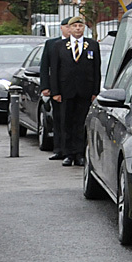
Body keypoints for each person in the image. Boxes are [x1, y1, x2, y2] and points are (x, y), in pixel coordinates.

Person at [49, 15, 101, 167]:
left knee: (81, 123)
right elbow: (55, 70)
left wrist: (95, 91)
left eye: (80, 26)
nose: (78, 29)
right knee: (66, 122)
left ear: (84, 28)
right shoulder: (59, 46)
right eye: (75, 26)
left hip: (84, 91)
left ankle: (79, 153)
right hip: (66, 91)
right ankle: (67, 153)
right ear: (69, 29)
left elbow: (96, 69)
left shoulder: (92, 45)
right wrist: (55, 91)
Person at [39, 18, 71, 160]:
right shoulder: (51, 44)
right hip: (57, 88)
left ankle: (73, 150)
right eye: (68, 26)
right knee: (58, 119)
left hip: (75, 89)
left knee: (73, 120)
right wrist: (45, 86)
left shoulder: (84, 44)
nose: (71, 29)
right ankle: (59, 149)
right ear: (62, 28)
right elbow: (45, 67)